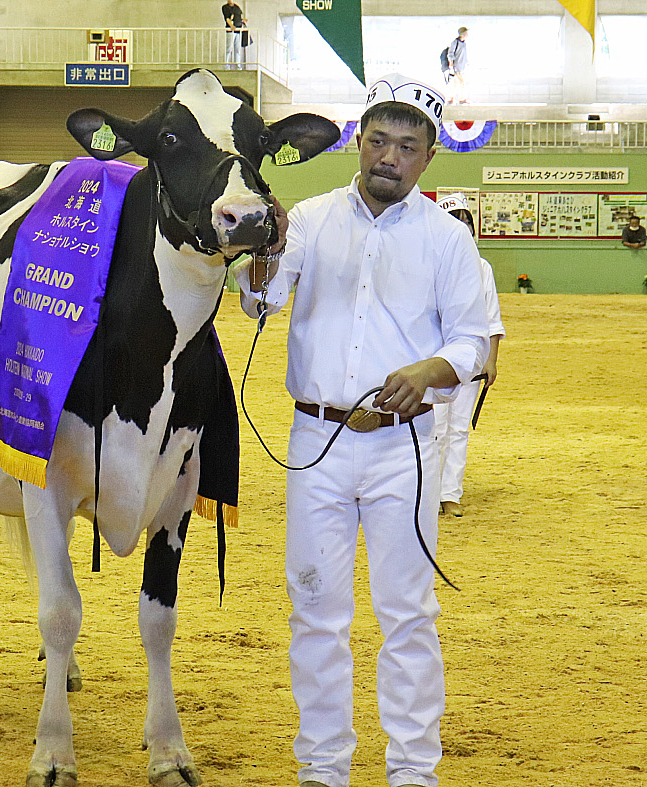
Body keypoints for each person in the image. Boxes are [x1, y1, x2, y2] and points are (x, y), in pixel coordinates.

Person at [234, 73, 489, 787]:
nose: (390, 156)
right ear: (358, 140)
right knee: (316, 611)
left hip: (403, 448)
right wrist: (266, 250)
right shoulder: (310, 220)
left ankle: (412, 770)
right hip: (315, 445)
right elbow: (259, 303)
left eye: (408, 146)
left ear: (428, 158)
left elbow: (473, 343)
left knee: (407, 614)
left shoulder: (447, 241)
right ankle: (323, 767)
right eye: (378, 139)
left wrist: (432, 368)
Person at [432, 193, 504, 518]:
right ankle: (427, 495)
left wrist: (492, 360)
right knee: (433, 430)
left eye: (465, 220)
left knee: (459, 430)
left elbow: (491, 318)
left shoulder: (482, 268)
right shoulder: (427, 263)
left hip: (471, 363)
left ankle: (451, 494)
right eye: (454, 220)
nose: (461, 226)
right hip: (433, 364)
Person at [441, 28, 468, 104]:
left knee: (455, 83)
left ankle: (450, 98)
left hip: (461, 67)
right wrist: (451, 66)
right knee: (461, 83)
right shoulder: (455, 43)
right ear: (463, 34)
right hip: (456, 67)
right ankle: (461, 99)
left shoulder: (463, 43)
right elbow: (450, 54)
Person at [222, 0, 247, 69]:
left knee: (237, 49)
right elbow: (227, 18)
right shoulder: (225, 7)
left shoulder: (237, 7)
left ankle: (238, 65)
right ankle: (226, 66)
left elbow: (239, 17)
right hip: (231, 30)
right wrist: (231, 26)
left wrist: (243, 20)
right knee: (229, 48)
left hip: (238, 30)